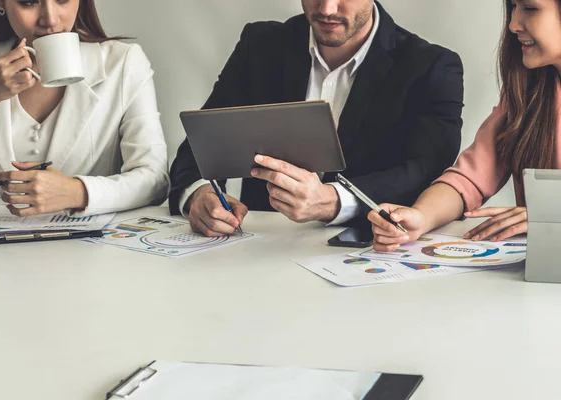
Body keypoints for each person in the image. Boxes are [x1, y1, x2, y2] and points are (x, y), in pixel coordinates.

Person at [169, 0, 464, 237]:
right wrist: (199, 195)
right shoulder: (259, 45)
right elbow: (202, 144)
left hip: (371, 256)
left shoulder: (432, 66)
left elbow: (428, 172)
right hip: (258, 251)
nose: (327, 9)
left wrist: (334, 201)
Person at [369, 0, 561, 251]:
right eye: (513, 7)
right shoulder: (527, 93)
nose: (513, 24)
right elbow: (469, 179)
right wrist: (420, 217)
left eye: (530, 8)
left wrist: (552, 216)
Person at [0, 0, 169, 216]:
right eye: (29, 2)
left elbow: (155, 178)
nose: (50, 19)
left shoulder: (122, 64)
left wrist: (77, 192)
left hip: (88, 246)